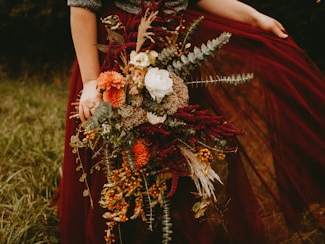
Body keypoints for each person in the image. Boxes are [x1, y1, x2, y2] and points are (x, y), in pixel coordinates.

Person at [58, 0, 325, 243]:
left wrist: (255, 18)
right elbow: (83, 6)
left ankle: (167, 232)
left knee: (173, 154)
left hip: (175, 53)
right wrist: (92, 81)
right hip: (121, 55)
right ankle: (118, 232)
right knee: (119, 159)